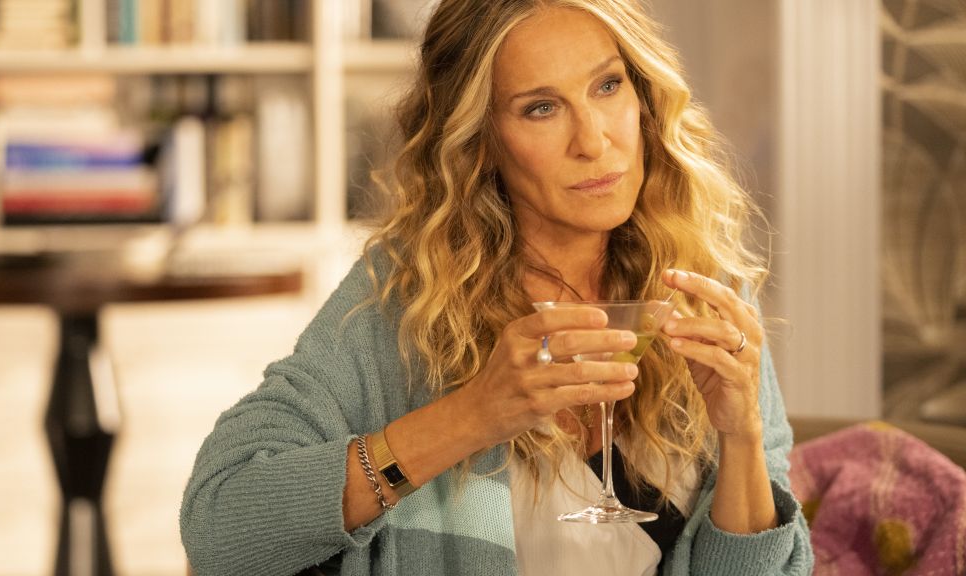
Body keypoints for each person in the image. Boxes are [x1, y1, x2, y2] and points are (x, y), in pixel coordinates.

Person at [180, 1, 813, 575]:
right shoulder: (401, 303)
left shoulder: (702, 283)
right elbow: (220, 530)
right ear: (481, 140)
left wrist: (743, 436)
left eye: (607, 86)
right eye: (541, 108)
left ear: (644, 97)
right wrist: (471, 416)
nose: (594, 141)